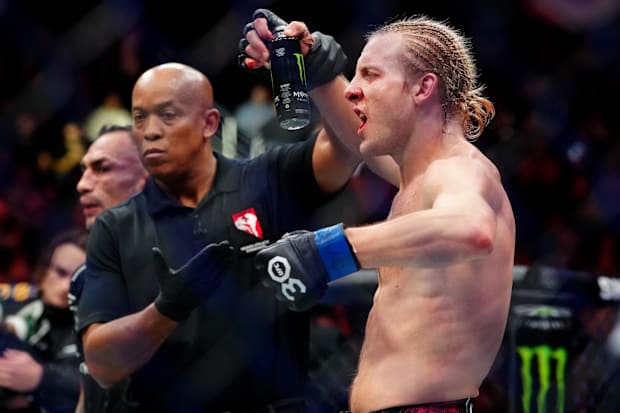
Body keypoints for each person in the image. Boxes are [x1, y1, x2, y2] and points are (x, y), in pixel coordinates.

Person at [76, 9, 363, 413]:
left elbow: (349, 147)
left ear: (210, 123)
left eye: (168, 114)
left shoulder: (269, 177)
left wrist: (319, 75)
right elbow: (101, 364)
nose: (150, 131)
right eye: (140, 118)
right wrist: (167, 308)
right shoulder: (116, 225)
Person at [255, 15, 516, 413]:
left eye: (371, 75)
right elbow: (358, 139)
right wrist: (316, 71)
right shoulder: (420, 178)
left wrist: (326, 251)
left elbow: (470, 229)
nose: (353, 91)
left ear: (423, 88)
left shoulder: (460, 170)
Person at [70, 124, 148, 412]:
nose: (82, 184)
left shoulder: (184, 257)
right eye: (83, 169)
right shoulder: (84, 277)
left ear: (146, 177)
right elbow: (88, 384)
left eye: (102, 168)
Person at [1, 228, 88, 413]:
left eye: (76, 279)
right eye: (60, 272)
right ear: (44, 268)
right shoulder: (11, 303)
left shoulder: (87, 326)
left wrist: (42, 377)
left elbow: (98, 382)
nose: (66, 287)